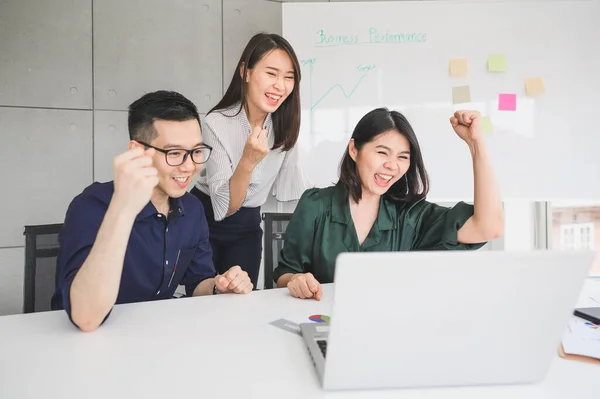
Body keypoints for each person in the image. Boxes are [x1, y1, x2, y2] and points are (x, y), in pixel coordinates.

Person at [51, 91, 253, 332]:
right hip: (87, 343)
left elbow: (197, 282)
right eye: (174, 153)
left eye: (196, 151)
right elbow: (85, 318)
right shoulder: (91, 206)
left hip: (158, 335)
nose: (189, 166)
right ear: (137, 151)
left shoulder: (192, 207)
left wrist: (219, 286)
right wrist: (123, 209)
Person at [273, 108, 504, 300]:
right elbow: (285, 274)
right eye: (382, 152)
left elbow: (489, 227)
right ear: (354, 150)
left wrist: (476, 145)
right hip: (324, 328)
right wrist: (295, 280)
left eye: (403, 157)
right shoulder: (316, 205)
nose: (392, 166)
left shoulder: (411, 217)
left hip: (388, 333)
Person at [191, 33, 311, 287]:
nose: (281, 85)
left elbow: (292, 190)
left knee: (242, 299)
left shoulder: (286, 126)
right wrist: (248, 161)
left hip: (247, 226)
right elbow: (224, 207)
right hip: (206, 219)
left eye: (289, 77)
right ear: (245, 71)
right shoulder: (216, 123)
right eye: (271, 74)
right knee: (204, 299)